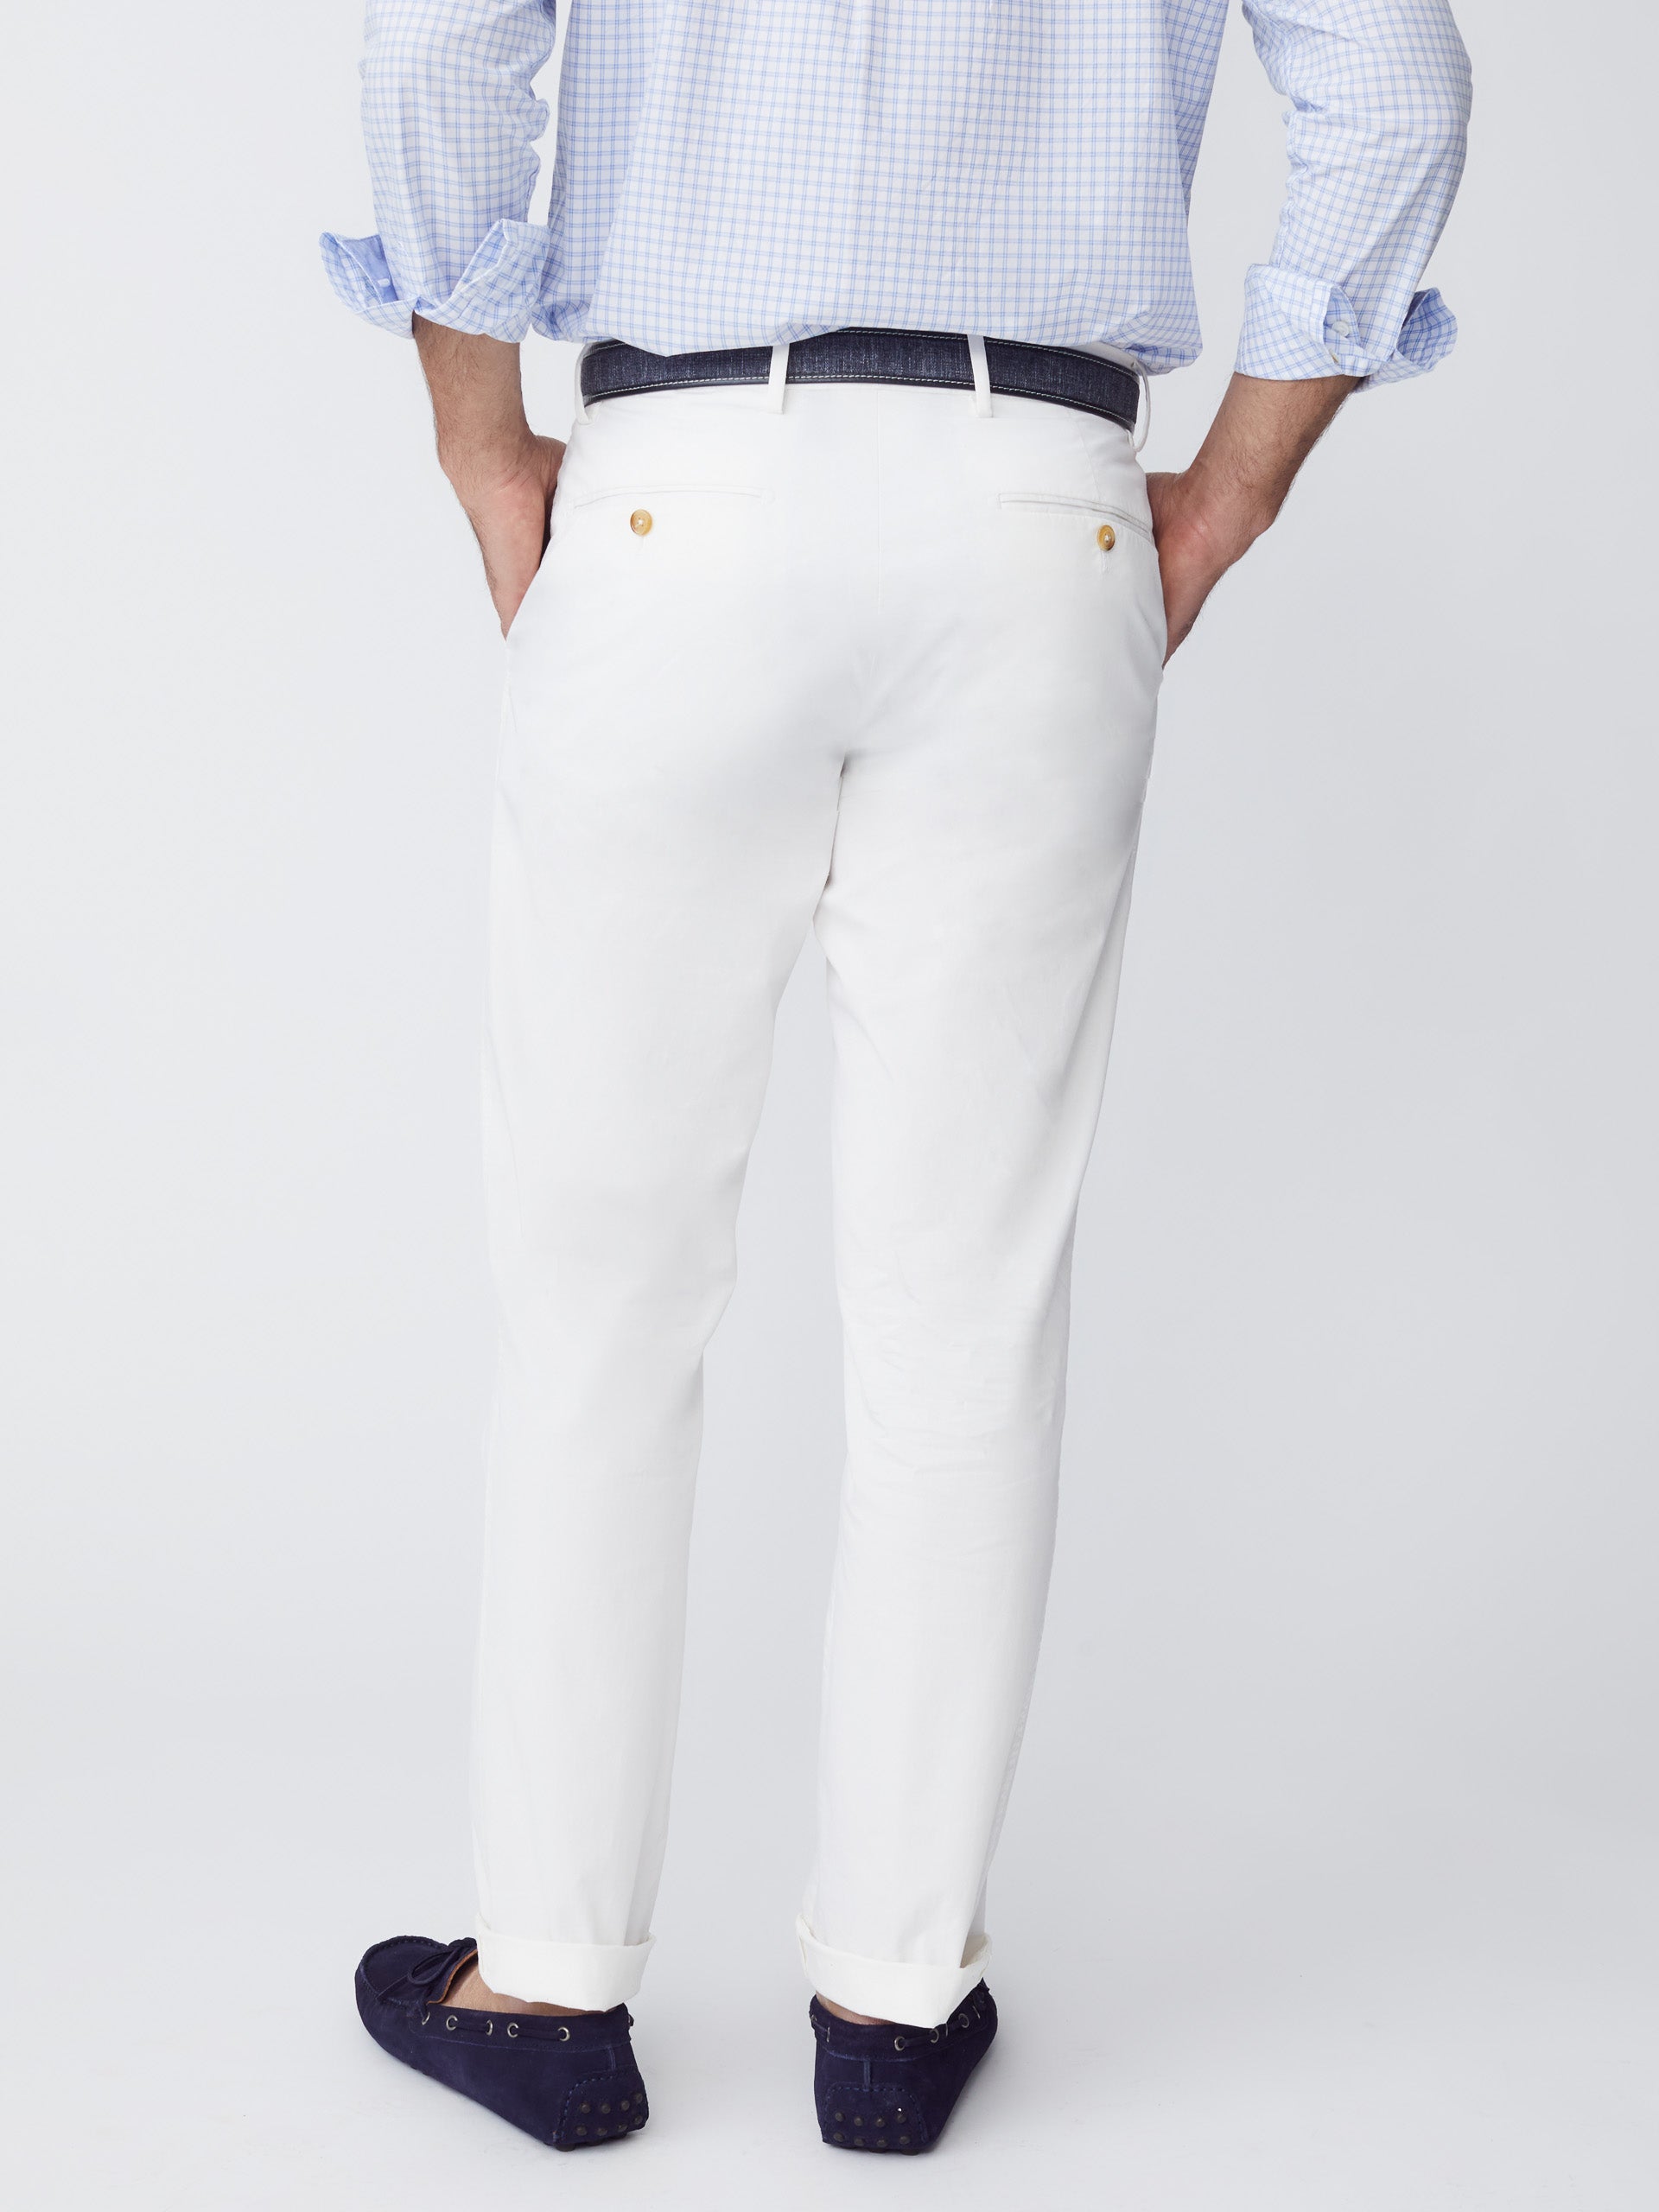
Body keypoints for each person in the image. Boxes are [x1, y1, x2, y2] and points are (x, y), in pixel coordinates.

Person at [324, 0, 1470, 2156]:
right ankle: (893, 1999)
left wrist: (481, 440)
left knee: (599, 1296)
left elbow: (433, 47)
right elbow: (1397, 88)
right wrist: (1227, 492)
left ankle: (549, 1983)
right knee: (966, 1311)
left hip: (675, 499)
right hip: (1041, 511)